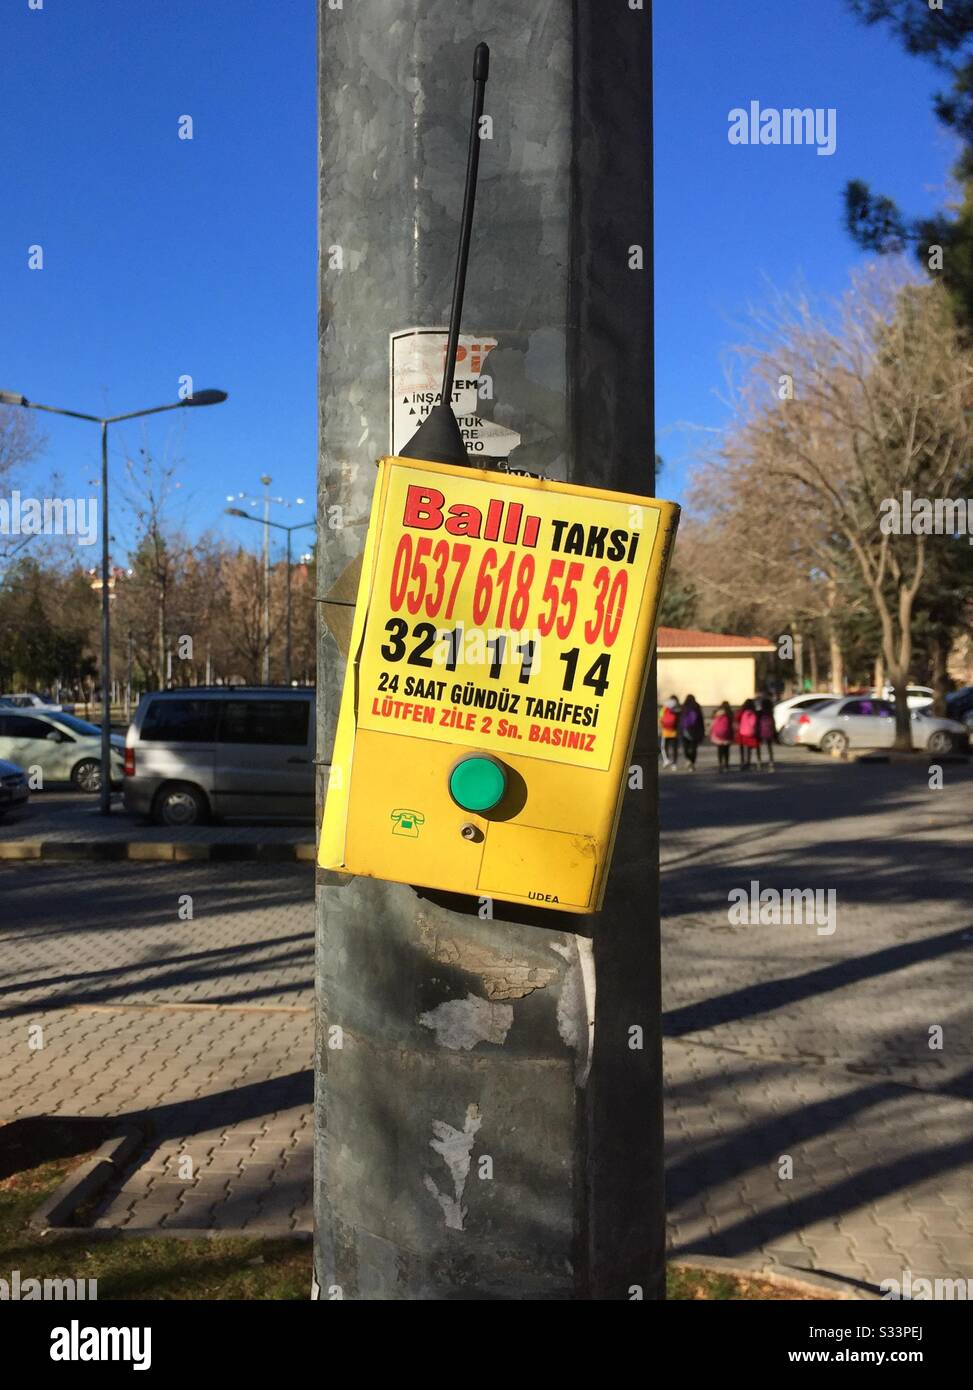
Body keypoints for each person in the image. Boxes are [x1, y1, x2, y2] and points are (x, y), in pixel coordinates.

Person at [678, 694, 705, 771]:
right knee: (694, 748)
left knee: (686, 747)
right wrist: (702, 731)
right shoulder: (697, 707)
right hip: (695, 731)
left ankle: (688, 760)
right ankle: (692, 763)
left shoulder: (684, 706)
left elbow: (680, 720)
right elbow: (701, 720)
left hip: (684, 730)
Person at [710, 699, 734, 772]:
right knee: (726, 750)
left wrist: (711, 731)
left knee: (720, 750)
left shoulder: (717, 713)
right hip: (727, 734)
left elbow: (713, 723)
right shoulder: (729, 713)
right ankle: (726, 765)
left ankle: (720, 764)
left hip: (718, 735)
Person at [737, 698, 760, 770]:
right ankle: (749, 762)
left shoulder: (742, 712)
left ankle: (742, 762)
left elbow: (737, 719)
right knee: (749, 749)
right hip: (751, 733)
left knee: (743, 748)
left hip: (742, 732)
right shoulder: (754, 712)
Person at [660, 695, 680, 768]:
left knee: (664, 747)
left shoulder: (665, 707)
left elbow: (661, 717)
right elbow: (679, 719)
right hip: (674, 731)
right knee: (674, 748)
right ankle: (674, 764)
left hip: (665, 731)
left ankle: (666, 760)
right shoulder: (677, 708)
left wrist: (662, 725)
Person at [757, 697, 776, 771]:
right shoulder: (770, 712)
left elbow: (757, 722)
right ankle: (771, 761)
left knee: (758, 746)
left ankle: (759, 760)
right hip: (769, 731)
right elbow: (773, 722)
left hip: (761, 731)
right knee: (769, 747)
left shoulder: (760, 712)